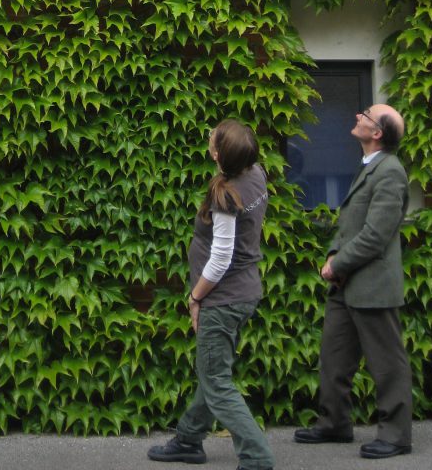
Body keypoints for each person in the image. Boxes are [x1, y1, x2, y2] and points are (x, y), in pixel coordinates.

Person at [148, 119, 273, 470]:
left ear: (217, 153)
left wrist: (196, 297)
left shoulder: (226, 196)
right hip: (244, 292)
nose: (209, 136)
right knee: (213, 371)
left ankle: (257, 458)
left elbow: (220, 259)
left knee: (217, 381)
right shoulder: (256, 175)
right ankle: (189, 439)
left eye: (213, 138)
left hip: (223, 299)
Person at [294, 103, 412, 460]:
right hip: (347, 282)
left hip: (372, 284)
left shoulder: (390, 172)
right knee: (334, 356)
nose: (358, 115)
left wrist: (337, 264)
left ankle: (396, 436)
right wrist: (333, 253)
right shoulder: (368, 167)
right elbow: (350, 222)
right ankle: (334, 423)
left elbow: (377, 235)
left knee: (387, 364)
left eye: (365, 114)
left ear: (377, 133)